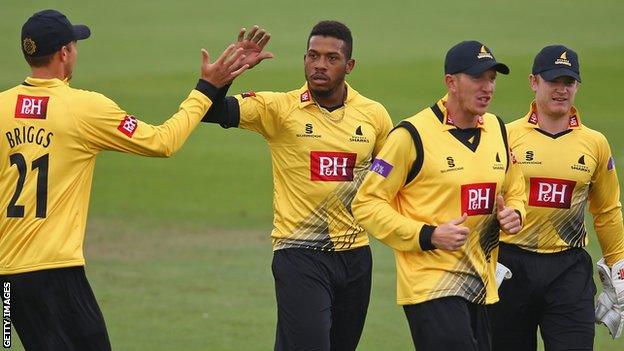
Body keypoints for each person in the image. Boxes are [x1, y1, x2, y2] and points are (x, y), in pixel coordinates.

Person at [0, 9, 255, 351]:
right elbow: (162, 141)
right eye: (74, 45)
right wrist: (206, 89)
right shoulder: (84, 108)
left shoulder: (2, 107)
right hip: (55, 269)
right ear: (64, 53)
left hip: (9, 275)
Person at [202, 20, 393, 351]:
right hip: (299, 252)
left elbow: (391, 179)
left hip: (356, 256)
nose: (320, 65)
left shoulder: (374, 116)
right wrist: (225, 78)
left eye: (332, 58)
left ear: (349, 66)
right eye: (312, 55)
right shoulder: (279, 108)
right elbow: (211, 111)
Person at [351, 40, 526, 351]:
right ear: (451, 82)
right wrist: (428, 235)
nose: (487, 87)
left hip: (482, 283)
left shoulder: (498, 129)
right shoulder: (411, 136)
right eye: (477, 78)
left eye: (492, 78)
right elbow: (366, 204)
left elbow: (514, 186)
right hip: (430, 284)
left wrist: (515, 212)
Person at [490, 45, 624, 351]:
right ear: (534, 82)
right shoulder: (504, 136)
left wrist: (619, 267)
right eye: (553, 81)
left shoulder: (595, 143)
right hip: (510, 265)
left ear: (577, 86)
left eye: (568, 82)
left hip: (568, 269)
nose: (561, 90)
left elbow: (606, 210)